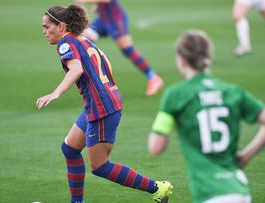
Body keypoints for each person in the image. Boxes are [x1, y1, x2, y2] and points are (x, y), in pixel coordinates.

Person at [36, 5, 172, 203]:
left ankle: (158, 188)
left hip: (102, 108)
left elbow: (76, 70)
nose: (44, 32)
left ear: (62, 26)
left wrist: (56, 93)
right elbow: (106, 63)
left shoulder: (66, 44)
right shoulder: (82, 39)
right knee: (70, 149)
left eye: (47, 27)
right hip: (101, 102)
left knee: (100, 166)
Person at [148, 30, 265, 203]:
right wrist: (245, 156)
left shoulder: (175, 95)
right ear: (208, 56)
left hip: (210, 193)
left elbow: (155, 147)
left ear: (181, 59)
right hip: (239, 189)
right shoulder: (232, 91)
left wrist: (166, 120)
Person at [74, 0, 164, 96]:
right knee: (84, 40)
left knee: (127, 50)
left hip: (115, 20)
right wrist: (99, 6)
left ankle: (153, 77)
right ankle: (101, 85)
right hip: (103, 19)